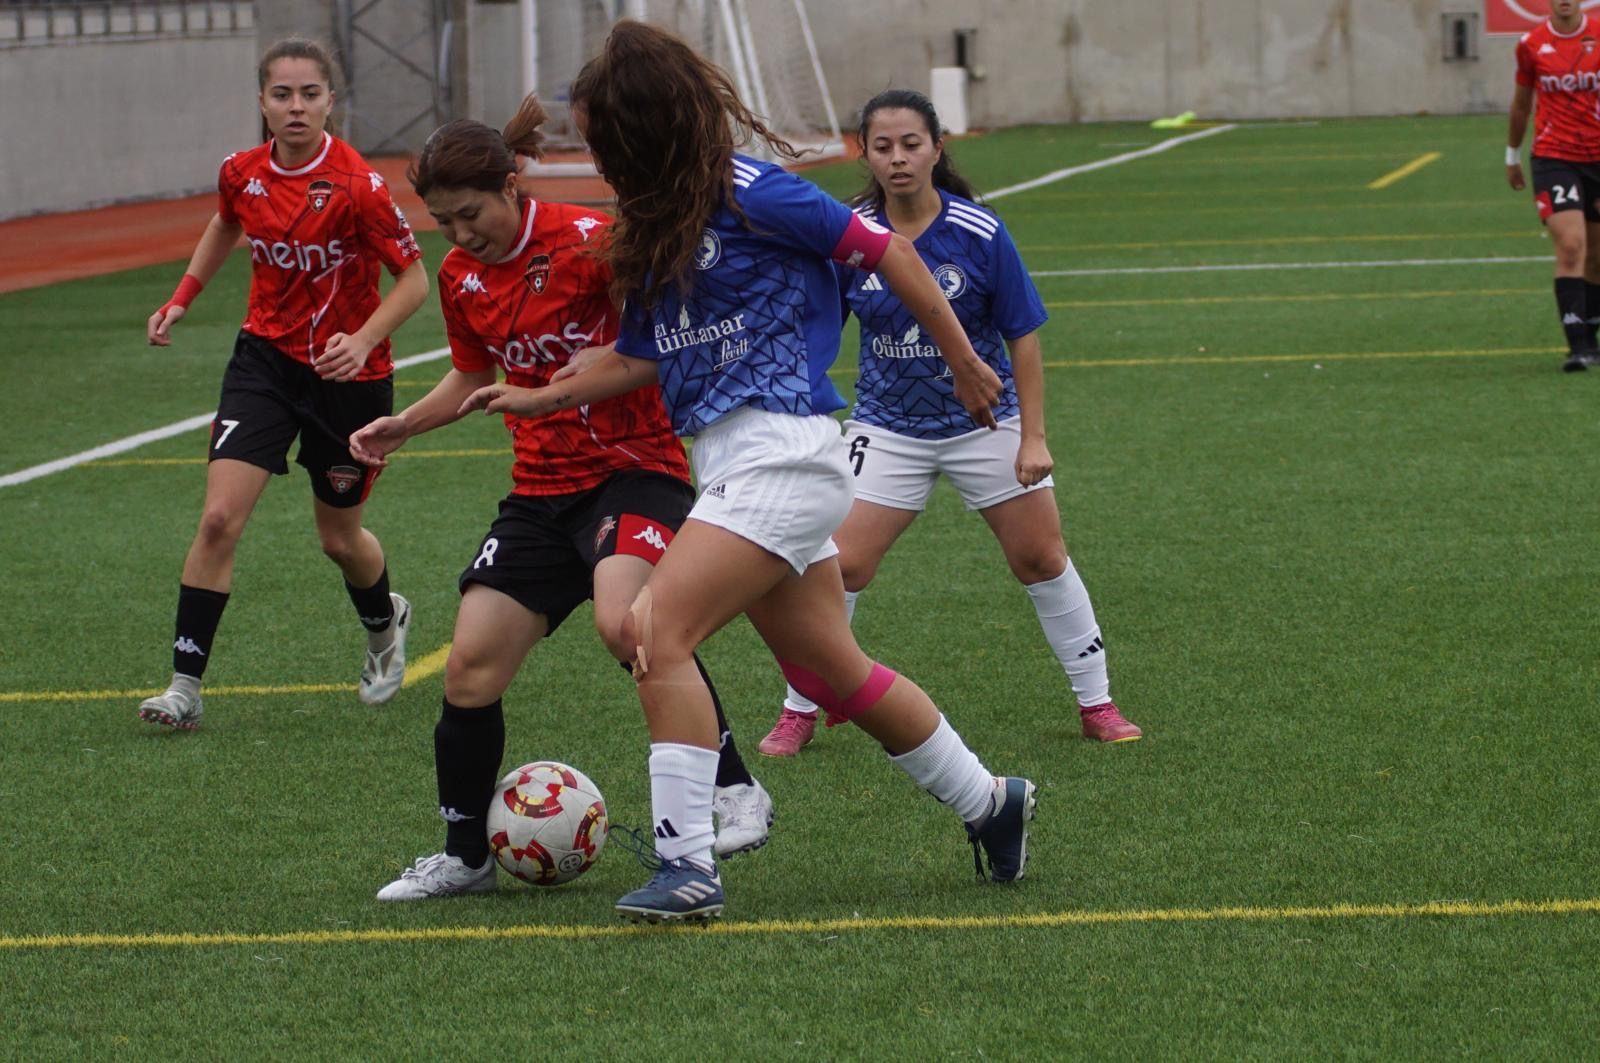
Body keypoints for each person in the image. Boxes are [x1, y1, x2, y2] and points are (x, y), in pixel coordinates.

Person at [457, 20, 1036, 923]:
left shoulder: (749, 188)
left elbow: (884, 250)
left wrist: (963, 359)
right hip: (735, 465)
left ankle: (689, 865)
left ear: (645, 128)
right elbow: (643, 356)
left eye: (604, 139)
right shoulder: (653, 229)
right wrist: (540, 397)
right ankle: (991, 800)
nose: (599, 160)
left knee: (652, 630)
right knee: (834, 668)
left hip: (784, 453)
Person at [348, 102, 773, 901]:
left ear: (512, 185)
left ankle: (734, 788)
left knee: (628, 623)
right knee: (470, 666)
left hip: (633, 471)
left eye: (470, 213)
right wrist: (404, 425)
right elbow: (475, 375)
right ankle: (465, 857)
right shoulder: (458, 276)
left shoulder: (589, 244)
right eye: (443, 221)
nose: (459, 232)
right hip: (540, 492)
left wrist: (576, 376)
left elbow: (659, 342)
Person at [757, 90, 1141, 757]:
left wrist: (1033, 436)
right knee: (840, 565)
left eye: (912, 144)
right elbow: (817, 325)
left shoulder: (980, 232)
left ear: (937, 147)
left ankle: (1098, 703)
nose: (899, 158)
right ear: (865, 154)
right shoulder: (850, 235)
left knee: (1041, 557)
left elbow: (1023, 334)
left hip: (983, 422)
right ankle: (803, 708)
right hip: (887, 428)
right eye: (883, 147)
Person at [137, 38, 428, 730]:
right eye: (281, 95)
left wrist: (361, 342)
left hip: (349, 381)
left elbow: (414, 279)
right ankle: (183, 686)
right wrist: (184, 294)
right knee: (217, 518)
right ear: (262, 102)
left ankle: (385, 625)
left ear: (331, 99)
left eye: (309, 94)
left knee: (338, 538)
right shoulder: (241, 172)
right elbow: (224, 223)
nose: (295, 107)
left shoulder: (359, 185)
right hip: (263, 363)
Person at [1507, 0, 1600, 373]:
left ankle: (1590, 337)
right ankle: (1577, 347)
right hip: (1554, 157)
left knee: (1596, 258)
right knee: (1571, 246)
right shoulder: (1531, 43)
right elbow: (1521, 103)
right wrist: (1511, 155)